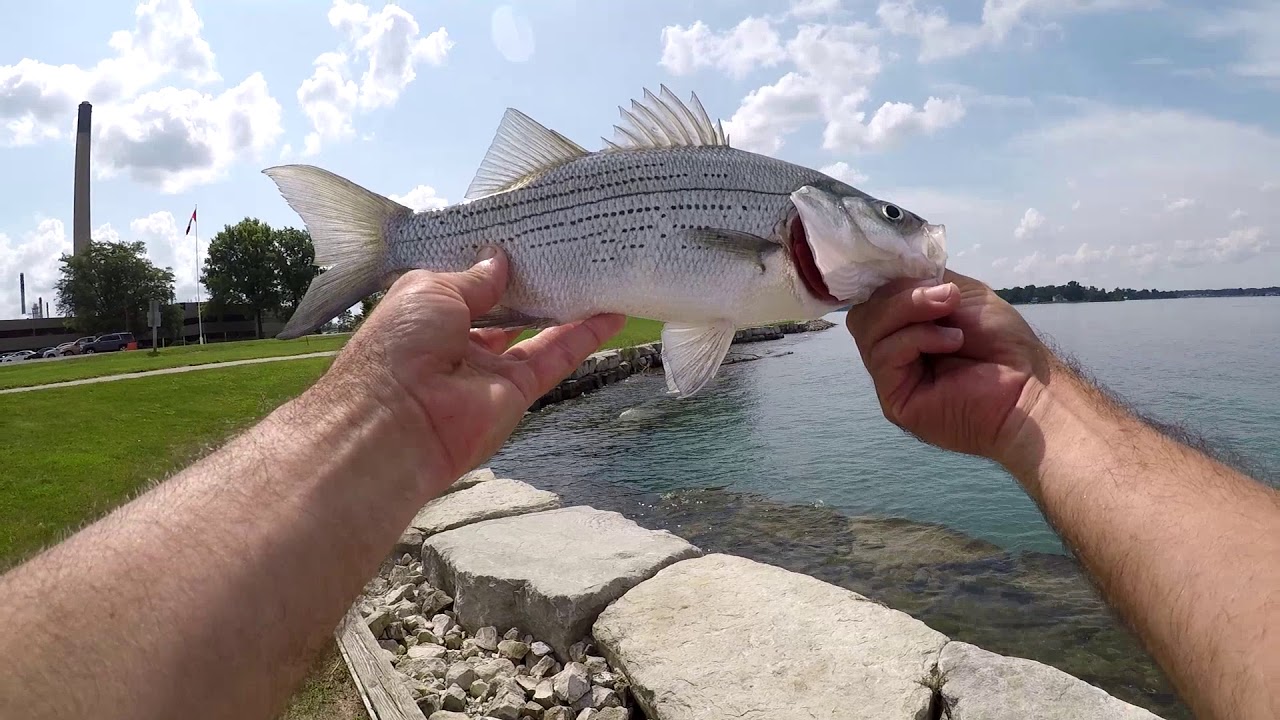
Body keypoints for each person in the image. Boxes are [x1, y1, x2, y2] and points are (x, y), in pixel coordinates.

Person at [0, 247, 1275, 720]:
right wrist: (375, 406)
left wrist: (375, 427)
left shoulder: (790, 258)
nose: (912, 242)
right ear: (814, 225)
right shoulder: (776, 235)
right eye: (882, 220)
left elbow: (699, 329)